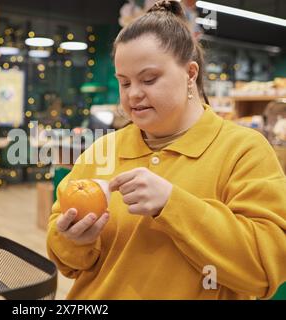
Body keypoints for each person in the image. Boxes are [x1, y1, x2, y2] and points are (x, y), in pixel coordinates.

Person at [46, 0, 286, 300]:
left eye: (149, 79)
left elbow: (264, 271)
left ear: (190, 74)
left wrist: (172, 205)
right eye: (124, 82)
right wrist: (73, 240)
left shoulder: (243, 151)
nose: (133, 93)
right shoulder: (104, 149)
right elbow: (66, 261)